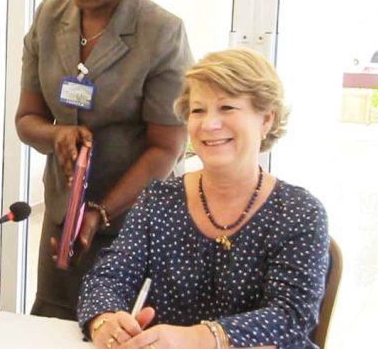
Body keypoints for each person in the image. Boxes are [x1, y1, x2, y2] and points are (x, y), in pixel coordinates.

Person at [78, 48, 330, 349]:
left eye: (227, 107)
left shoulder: (300, 212)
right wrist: (105, 320)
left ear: (266, 120)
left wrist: (200, 338)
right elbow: (108, 277)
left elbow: (292, 315)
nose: (209, 124)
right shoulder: (159, 200)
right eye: (198, 110)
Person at [16, 0, 192, 320]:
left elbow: (166, 147)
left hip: (135, 221)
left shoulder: (161, 32)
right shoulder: (47, 19)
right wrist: (55, 135)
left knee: (120, 329)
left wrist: (100, 212)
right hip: (64, 216)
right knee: (53, 325)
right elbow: (27, 119)